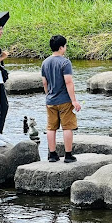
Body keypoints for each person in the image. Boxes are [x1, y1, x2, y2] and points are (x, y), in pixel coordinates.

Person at [41, 35, 81, 163]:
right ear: (61, 47)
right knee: (67, 127)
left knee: (51, 128)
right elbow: (68, 82)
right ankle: (68, 155)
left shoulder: (45, 62)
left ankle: (52, 154)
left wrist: (48, 95)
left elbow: (44, 83)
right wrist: (74, 100)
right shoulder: (65, 62)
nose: (66, 48)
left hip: (50, 101)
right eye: (65, 46)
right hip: (64, 100)